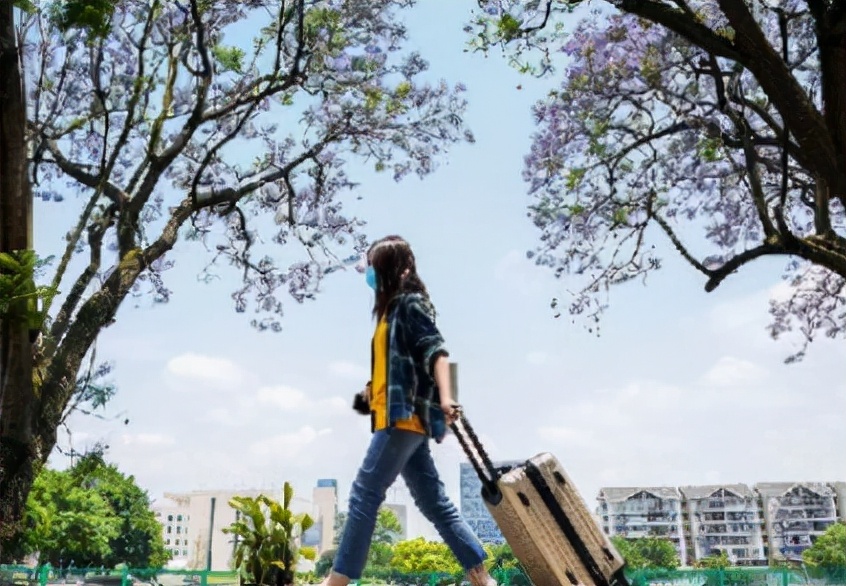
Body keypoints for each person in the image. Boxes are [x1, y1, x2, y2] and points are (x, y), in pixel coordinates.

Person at [321, 235, 496, 586]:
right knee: (433, 502)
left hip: (403, 417)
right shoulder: (391, 311)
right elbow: (400, 365)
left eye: (373, 266)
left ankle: (337, 581)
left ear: (391, 269)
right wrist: (370, 392)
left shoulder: (409, 304)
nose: (368, 273)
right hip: (401, 416)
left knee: (364, 493)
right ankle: (483, 577)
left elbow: (438, 351)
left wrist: (447, 398)